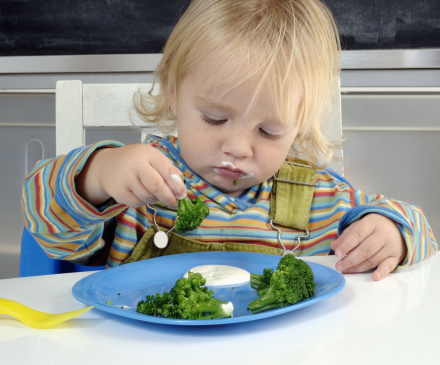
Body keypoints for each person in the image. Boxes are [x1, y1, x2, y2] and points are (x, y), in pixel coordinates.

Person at [22, 0, 436, 281]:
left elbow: (421, 231)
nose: (239, 147)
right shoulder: (138, 182)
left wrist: (391, 233)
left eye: (269, 131)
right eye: (215, 118)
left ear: (299, 125)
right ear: (171, 90)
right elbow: (45, 224)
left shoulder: (318, 199)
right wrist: (97, 175)